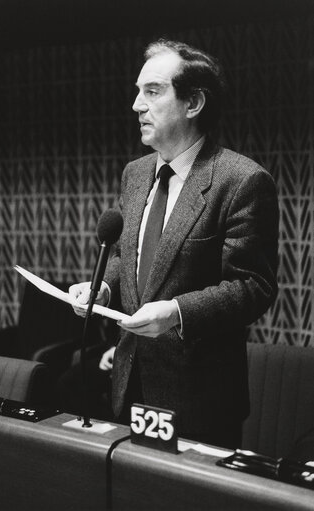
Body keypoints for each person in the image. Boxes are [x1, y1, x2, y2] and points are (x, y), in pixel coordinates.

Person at [69, 39, 279, 449]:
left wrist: (177, 311)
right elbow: (124, 256)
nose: (136, 105)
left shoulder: (242, 181)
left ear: (194, 102)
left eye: (152, 91)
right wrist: (102, 287)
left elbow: (253, 286)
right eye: (137, 91)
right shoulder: (135, 174)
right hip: (129, 385)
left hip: (199, 399)